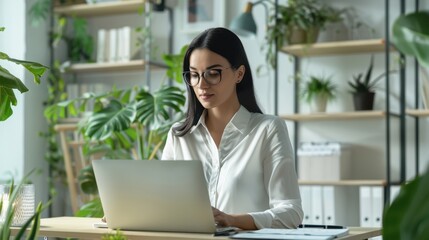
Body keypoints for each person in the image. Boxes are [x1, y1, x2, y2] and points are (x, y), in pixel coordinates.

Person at [161, 27, 303, 230]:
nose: (202, 85)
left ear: (239, 74)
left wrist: (232, 220)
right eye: (194, 75)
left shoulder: (268, 130)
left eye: (213, 73)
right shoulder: (179, 135)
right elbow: (163, 201)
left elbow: (291, 212)